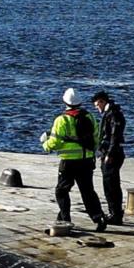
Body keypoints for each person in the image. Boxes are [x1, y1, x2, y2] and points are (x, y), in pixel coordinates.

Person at [44, 87, 107, 230]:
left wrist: (45, 145)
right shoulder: (89, 117)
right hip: (86, 160)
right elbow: (97, 137)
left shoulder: (61, 120)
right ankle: (99, 218)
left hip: (68, 162)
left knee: (62, 190)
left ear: (65, 102)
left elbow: (55, 142)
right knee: (88, 191)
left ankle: (65, 220)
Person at [91, 89, 131, 227]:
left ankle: (115, 214)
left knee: (111, 185)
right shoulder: (110, 113)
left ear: (102, 101)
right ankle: (114, 212)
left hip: (112, 154)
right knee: (110, 184)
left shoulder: (113, 115)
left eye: (97, 105)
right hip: (108, 152)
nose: (97, 108)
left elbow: (115, 135)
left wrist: (109, 154)